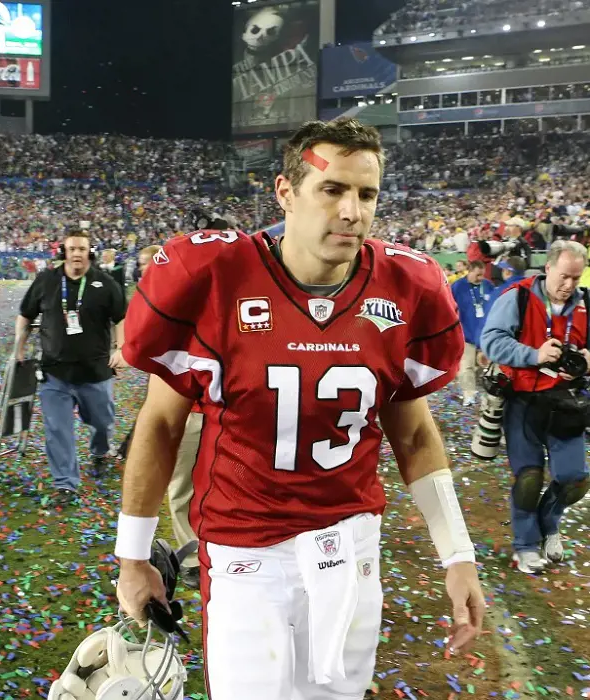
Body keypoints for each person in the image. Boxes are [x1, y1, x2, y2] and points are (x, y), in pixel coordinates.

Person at [115, 118, 485, 700]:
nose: (352, 210)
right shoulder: (218, 278)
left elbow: (413, 435)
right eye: (332, 188)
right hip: (243, 546)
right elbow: (161, 424)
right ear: (286, 193)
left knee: (337, 694)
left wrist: (457, 555)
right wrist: (132, 557)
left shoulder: (405, 287)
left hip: (350, 542)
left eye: (367, 194)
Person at [480, 240, 590, 574]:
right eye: (563, 276)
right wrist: (534, 355)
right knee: (528, 479)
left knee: (574, 480)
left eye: (576, 277)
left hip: (567, 404)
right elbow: (491, 341)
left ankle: (550, 525)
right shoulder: (518, 296)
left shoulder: (586, 305)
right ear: (547, 268)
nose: (569, 285)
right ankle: (526, 545)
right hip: (523, 402)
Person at [15, 231, 127, 507]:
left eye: (82, 249)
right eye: (72, 248)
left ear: (90, 252)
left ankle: (100, 452)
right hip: (55, 372)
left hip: (95, 371)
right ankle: (66, 484)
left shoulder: (105, 282)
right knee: (57, 429)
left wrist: (122, 349)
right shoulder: (46, 280)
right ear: (63, 250)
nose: (77, 253)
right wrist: (19, 347)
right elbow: (25, 315)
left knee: (102, 423)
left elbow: (121, 318)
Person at [118, 242, 203, 589]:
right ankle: (193, 557)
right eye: (142, 263)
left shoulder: (198, 297)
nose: (147, 268)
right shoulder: (153, 302)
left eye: (152, 262)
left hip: (217, 410)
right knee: (182, 485)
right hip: (185, 410)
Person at [452, 261, 494, 406]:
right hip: (466, 334)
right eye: (478, 275)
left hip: (485, 336)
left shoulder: (488, 285)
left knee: (485, 367)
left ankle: (483, 393)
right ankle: (468, 394)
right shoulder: (457, 287)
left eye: (482, 274)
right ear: (469, 271)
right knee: (466, 366)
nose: (481, 278)